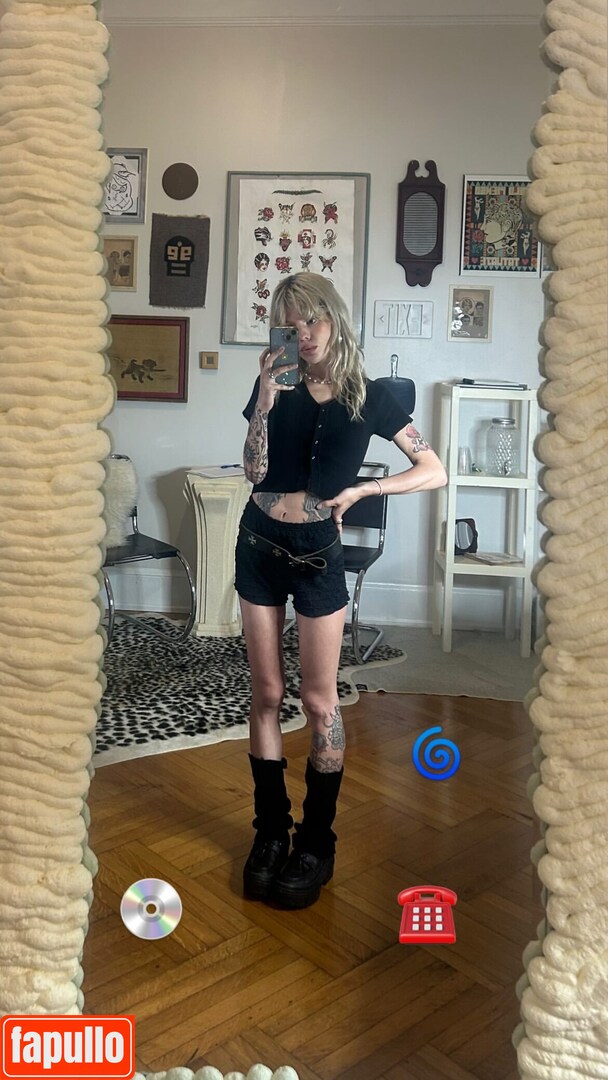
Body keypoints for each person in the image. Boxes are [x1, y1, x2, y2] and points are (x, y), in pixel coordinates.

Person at [235, 273, 447, 910]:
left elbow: (433, 470)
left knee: (320, 701)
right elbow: (252, 469)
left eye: (312, 320)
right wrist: (264, 402)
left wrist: (364, 490)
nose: (303, 335)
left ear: (334, 318)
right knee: (266, 694)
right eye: (290, 324)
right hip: (258, 544)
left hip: (317, 555)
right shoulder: (275, 383)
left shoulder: (371, 396)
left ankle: (315, 843)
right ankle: (270, 832)